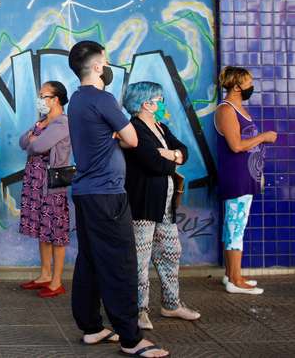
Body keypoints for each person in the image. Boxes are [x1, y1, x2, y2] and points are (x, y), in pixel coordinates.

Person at [67, 41, 168, 358]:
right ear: (98, 67)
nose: (109, 66)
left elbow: (110, 136)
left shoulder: (77, 100)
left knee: (91, 261)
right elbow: (134, 138)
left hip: (86, 193)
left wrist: (112, 134)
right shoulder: (102, 98)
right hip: (107, 195)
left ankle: (92, 327)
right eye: (106, 61)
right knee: (120, 264)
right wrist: (117, 133)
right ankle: (130, 338)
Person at [122, 81, 200, 330]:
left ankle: (171, 304)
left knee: (171, 252)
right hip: (143, 204)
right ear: (147, 103)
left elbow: (184, 151)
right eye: (159, 99)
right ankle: (139, 311)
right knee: (141, 259)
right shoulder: (134, 129)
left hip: (165, 206)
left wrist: (172, 154)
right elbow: (153, 164)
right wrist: (171, 158)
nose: (162, 104)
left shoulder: (160, 127)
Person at [214, 66, 276, 295]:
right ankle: (235, 280)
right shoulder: (226, 110)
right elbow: (237, 145)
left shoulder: (240, 108)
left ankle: (231, 275)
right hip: (236, 177)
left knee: (234, 226)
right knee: (235, 227)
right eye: (248, 82)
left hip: (246, 177)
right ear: (237, 85)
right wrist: (264, 137)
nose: (252, 86)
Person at [18, 81, 72, 298]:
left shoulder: (62, 123)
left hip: (51, 184)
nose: (40, 100)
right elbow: (24, 142)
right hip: (35, 181)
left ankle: (56, 281)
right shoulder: (42, 122)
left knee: (56, 232)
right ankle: (44, 274)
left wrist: (34, 139)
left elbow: (37, 146)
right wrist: (34, 137)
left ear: (55, 99)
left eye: (43, 95)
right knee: (43, 230)